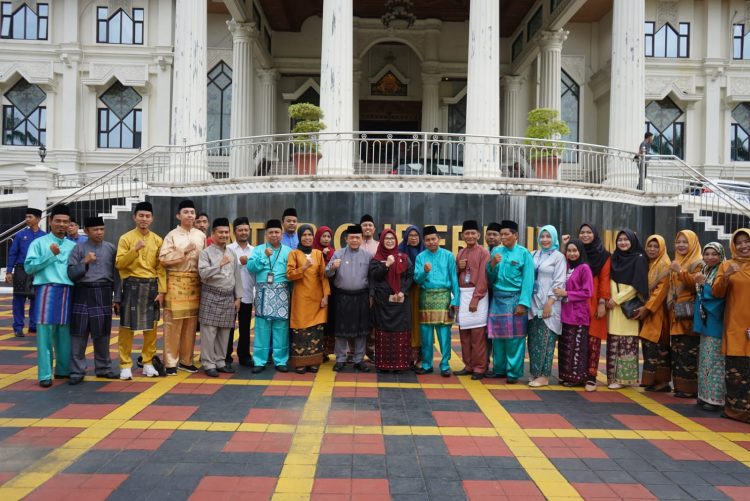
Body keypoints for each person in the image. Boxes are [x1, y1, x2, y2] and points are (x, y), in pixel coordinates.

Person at [23, 205, 76, 388]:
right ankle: (45, 374)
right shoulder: (39, 243)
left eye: (65, 222)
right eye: (58, 221)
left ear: (70, 224)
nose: (61, 224)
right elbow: (29, 267)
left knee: (65, 333)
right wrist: (49, 254)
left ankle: (63, 369)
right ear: (50, 221)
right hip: (46, 290)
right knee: (44, 334)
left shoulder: (73, 246)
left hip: (68, 291)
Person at [67, 216, 121, 384]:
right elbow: (71, 274)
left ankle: (103, 368)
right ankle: (77, 371)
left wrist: (117, 298)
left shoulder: (111, 248)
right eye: (95, 230)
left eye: (102, 229)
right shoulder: (78, 249)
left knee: (102, 334)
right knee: (79, 334)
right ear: (86, 231)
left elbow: (117, 277)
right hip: (82, 292)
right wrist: (85, 262)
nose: (99, 232)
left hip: (103, 293)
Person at [116, 201, 166, 380]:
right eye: (141, 216)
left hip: (151, 285)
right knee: (126, 327)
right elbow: (119, 264)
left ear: (152, 219)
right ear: (134, 217)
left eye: (147, 216)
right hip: (132, 284)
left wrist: (162, 290)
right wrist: (134, 251)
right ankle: (125, 364)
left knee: (151, 328)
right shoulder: (126, 238)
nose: (144, 219)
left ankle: (147, 362)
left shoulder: (158, 240)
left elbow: (160, 268)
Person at [159, 199, 206, 375]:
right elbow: (163, 259)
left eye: (192, 212)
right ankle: (170, 361)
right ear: (179, 215)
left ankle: (186, 360)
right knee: (173, 324)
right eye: (186, 212)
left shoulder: (200, 236)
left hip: (195, 283)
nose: (190, 215)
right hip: (176, 282)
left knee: (191, 324)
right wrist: (183, 252)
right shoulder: (172, 235)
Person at [486, 220, 534, 383]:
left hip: (515, 299)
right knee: (497, 336)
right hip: (498, 298)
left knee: (515, 337)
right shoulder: (496, 251)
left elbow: (528, 280)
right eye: (502, 234)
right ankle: (499, 369)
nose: (503, 237)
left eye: (507, 234)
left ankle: (513, 372)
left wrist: (523, 303)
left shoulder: (524, 253)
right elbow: (490, 278)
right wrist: (492, 264)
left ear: (515, 235)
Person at [712, 228, 750, 423]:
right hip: (735, 325)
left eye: (747, 241)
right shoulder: (727, 265)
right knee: (736, 371)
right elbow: (717, 292)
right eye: (739, 243)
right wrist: (726, 275)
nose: (744, 246)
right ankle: (735, 411)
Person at [198, 218, 243, 377]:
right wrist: (220, 265)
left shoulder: (231, 253)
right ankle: (208, 363)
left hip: (228, 297)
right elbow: (203, 274)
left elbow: (237, 276)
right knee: (209, 332)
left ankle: (220, 361)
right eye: (221, 232)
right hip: (211, 294)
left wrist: (238, 297)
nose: (224, 235)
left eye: (226, 232)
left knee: (225, 332)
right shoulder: (206, 253)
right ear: (213, 233)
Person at [413, 225, 459, 377]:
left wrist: (456, 299)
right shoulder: (420, 257)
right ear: (424, 242)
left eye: (433, 239)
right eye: (427, 240)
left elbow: (454, 279)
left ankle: (445, 365)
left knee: (444, 335)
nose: (431, 242)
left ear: (439, 239)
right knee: (426, 335)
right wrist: (424, 272)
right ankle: (427, 364)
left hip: (444, 297)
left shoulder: (448, 256)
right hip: (426, 297)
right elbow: (417, 280)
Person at [606, 229, 649, 390]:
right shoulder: (615, 258)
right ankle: (611, 377)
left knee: (626, 343)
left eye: (626, 239)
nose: (622, 242)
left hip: (626, 306)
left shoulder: (639, 258)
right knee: (613, 342)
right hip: (612, 307)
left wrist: (616, 299)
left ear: (632, 241)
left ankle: (624, 379)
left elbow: (637, 286)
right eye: (620, 239)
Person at [248, 219, 292, 373]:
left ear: (282, 234)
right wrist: (263, 257)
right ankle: (260, 360)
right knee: (262, 328)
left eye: (277, 232)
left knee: (281, 328)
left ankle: (281, 360)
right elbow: (250, 267)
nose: (274, 235)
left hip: (282, 292)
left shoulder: (288, 251)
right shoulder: (258, 249)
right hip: (263, 292)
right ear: (266, 234)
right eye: (271, 232)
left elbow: (292, 272)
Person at [326, 224, 372, 372]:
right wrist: (333, 267)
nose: (354, 240)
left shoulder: (368, 256)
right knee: (341, 330)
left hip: (362, 296)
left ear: (361, 239)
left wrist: (371, 296)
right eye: (351, 237)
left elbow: (372, 278)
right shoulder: (338, 254)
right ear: (346, 239)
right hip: (342, 297)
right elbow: (326, 273)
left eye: (357, 237)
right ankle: (340, 359)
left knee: (361, 330)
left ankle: (359, 359)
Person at [287, 224, 330, 373]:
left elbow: (323, 277)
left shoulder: (318, 254)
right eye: (304, 235)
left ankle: (313, 361)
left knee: (315, 331)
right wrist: (303, 267)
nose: (307, 238)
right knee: (300, 330)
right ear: (300, 237)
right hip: (300, 299)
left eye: (309, 235)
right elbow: (290, 274)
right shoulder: (294, 253)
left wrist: (326, 296)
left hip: (316, 299)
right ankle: (300, 362)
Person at [369, 229, 413, 373]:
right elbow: (375, 276)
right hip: (383, 303)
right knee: (384, 331)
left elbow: (409, 276)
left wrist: (403, 291)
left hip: (401, 302)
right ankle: (384, 365)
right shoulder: (376, 259)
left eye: (392, 238)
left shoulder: (404, 258)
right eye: (386, 238)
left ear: (396, 240)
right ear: (382, 241)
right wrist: (386, 265)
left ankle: (400, 365)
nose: (389, 241)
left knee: (401, 331)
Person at [528, 225, 567, 387]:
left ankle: (544, 375)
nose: (545, 240)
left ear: (554, 238)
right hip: (533, 304)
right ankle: (535, 372)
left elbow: (559, 281)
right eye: (542, 236)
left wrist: (549, 304)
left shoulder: (559, 257)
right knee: (533, 340)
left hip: (549, 305)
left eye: (548, 236)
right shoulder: (533, 254)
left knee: (546, 340)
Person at [453, 220, 490, 380]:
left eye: (472, 233)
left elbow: (483, 278)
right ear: (462, 235)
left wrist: (476, 298)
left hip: (478, 295)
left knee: (477, 335)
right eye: (466, 233)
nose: (469, 236)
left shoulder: (484, 253)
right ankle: (468, 365)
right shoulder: (460, 253)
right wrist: (458, 268)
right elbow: (454, 276)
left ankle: (479, 367)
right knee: (464, 334)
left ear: (478, 235)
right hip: (462, 294)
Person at [554, 239, 593, 386]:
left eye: (575, 250)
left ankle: (577, 378)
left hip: (578, 315)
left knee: (576, 348)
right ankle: (566, 376)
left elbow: (587, 292)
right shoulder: (566, 266)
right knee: (566, 347)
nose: (572, 253)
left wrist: (566, 293)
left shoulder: (584, 268)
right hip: (565, 314)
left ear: (581, 252)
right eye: (569, 251)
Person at [668, 230, 702, 398]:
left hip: (689, 314)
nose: (681, 245)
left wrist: (680, 270)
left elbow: (696, 284)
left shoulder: (699, 262)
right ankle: (680, 387)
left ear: (693, 243)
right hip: (677, 314)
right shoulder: (678, 260)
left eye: (685, 242)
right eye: (678, 241)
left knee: (689, 351)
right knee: (678, 351)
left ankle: (689, 389)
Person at [693, 242, 726, 411]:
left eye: (714, 254)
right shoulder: (706, 269)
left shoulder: (721, 271)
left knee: (715, 361)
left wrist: (704, 284)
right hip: (706, 321)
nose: (710, 257)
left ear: (721, 255)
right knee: (705, 360)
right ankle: (704, 395)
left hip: (715, 322)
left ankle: (715, 399)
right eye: (707, 254)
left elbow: (718, 297)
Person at [636, 235, 672, 392]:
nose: (651, 249)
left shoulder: (664, 265)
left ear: (662, 248)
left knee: (659, 347)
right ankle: (651, 380)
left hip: (658, 313)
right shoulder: (648, 263)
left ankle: (662, 382)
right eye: (649, 246)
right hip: (648, 312)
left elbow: (661, 291)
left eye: (656, 246)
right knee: (649, 346)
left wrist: (647, 308)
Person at [578, 223, 611, 392]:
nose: (585, 235)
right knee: (578, 340)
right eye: (582, 232)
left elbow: (605, 280)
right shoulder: (576, 252)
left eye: (588, 232)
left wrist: (602, 303)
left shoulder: (603, 255)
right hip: (577, 303)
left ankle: (591, 376)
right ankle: (578, 374)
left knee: (593, 342)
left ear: (595, 234)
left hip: (594, 302)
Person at [5, 207, 45, 337]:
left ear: (38, 219)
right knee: (18, 299)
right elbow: (13, 253)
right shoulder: (20, 235)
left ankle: (33, 325)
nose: (27, 219)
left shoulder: (44, 236)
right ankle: (18, 327)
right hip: (21, 269)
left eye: (30, 217)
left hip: (37, 270)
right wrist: (9, 271)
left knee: (36, 299)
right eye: (26, 217)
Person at [226, 217, 255, 367]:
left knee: (245, 327)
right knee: (228, 327)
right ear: (234, 232)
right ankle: (226, 357)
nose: (243, 232)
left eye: (246, 229)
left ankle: (244, 356)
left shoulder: (255, 251)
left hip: (248, 294)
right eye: (240, 230)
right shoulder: (228, 249)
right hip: (230, 295)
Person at [398, 225, 424, 367]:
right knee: (407, 321)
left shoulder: (425, 252)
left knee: (421, 323)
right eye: (410, 235)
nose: (413, 238)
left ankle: (420, 356)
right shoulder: (400, 251)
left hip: (421, 291)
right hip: (406, 291)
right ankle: (406, 356)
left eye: (416, 235)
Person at [314, 225, 336, 358]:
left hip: (332, 292)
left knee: (329, 320)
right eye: (324, 236)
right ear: (318, 237)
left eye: (328, 236)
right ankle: (316, 350)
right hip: (316, 291)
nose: (326, 239)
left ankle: (326, 351)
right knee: (318, 320)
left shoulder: (334, 252)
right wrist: (322, 255)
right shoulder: (313, 252)